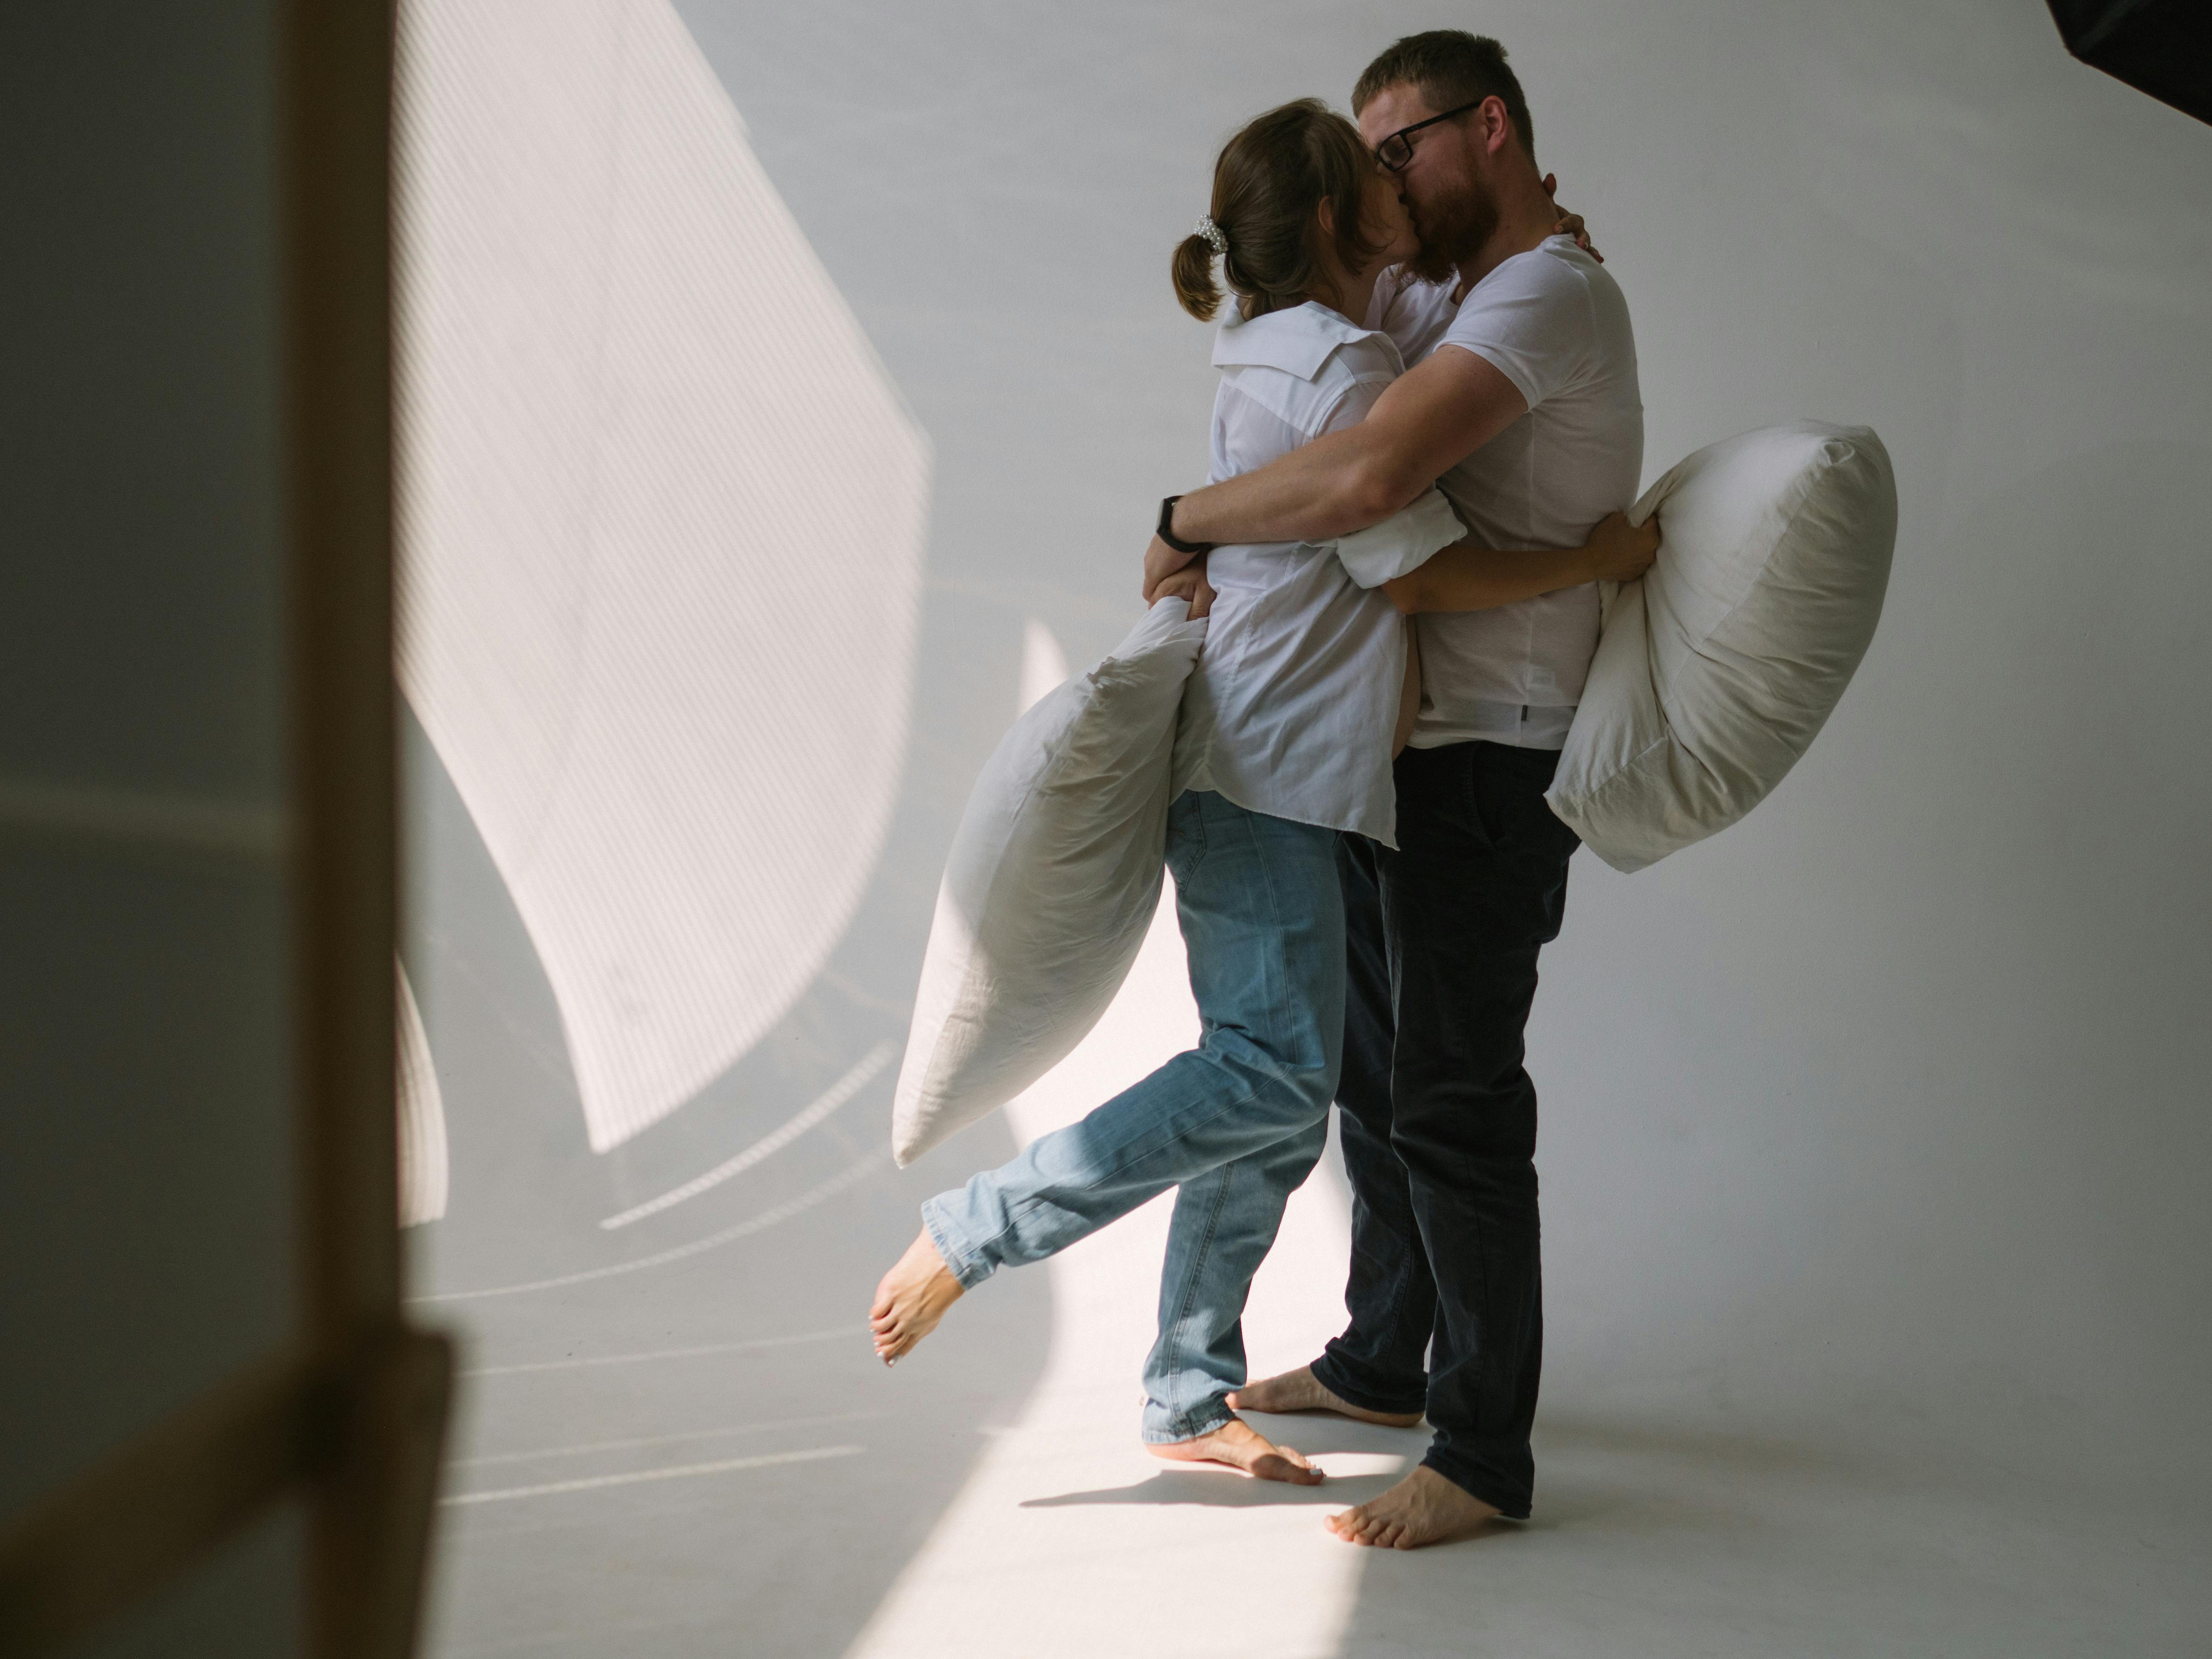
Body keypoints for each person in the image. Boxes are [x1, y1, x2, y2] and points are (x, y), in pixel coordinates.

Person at [871, 97, 1652, 1484]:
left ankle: (1187, 1390)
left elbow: (1423, 299)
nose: (1403, 180)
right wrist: (1596, 559)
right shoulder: (1348, 367)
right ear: (1351, 221)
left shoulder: (1282, 333)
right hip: (1274, 767)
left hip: (1274, 762)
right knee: (1269, 1074)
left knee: (1282, 1091)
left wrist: (1547, 237)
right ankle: (982, 1229)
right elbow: (1408, 564)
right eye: (1380, 170)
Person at [1147, 32, 1647, 1549]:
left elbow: (1365, 485)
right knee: (1379, 1085)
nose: (1384, 181)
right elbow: (1326, 364)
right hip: (1403, 752)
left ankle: (1486, 1455)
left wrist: (1183, 516)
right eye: (1366, 163)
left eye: (1400, 148)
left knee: (1456, 1103)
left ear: (1485, 125)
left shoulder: (1544, 295)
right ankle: (1384, 1366)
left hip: (1494, 746)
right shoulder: (1445, 284)